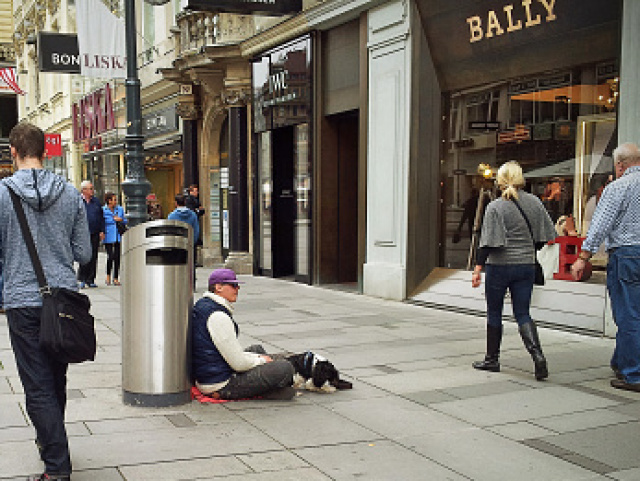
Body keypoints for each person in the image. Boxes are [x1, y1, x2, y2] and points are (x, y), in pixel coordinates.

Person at [0, 122, 91, 480]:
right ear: (46, 151)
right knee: (55, 380)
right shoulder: (70, 194)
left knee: (37, 384)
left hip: (22, 301)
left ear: (13, 152)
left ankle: (56, 467)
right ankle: (52, 443)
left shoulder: (2, 194)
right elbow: (84, 253)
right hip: (64, 300)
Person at [471, 161, 556, 380]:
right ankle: (538, 356)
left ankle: (492, 359)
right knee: (523, 313)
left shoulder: (495, 207)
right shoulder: (535, 203)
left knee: (494, 312)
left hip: (499, 267)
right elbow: (545, 235)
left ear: (500, 180)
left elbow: (487, 242)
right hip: (525, 266)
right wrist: (527, 250)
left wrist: (477, 268)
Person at [571, 143, 640, 393]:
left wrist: (583, 257)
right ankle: (621, 362)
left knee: (628, 315)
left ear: (620, 165)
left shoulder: (617, 187)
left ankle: (633, 374)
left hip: (628, 255)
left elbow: (600, 225)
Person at [192, 268, 295, 400]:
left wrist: (258, 357)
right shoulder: (218, 316)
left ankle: (271, 389)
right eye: (233, 285)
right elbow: (238, 364)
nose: (237, 289)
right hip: (219, 383)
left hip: (210, 372)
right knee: (284, 368)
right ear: (218, 287)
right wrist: (262, 360)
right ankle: (267, 390)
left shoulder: (204, 304)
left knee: (257, 349)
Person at [77, 180, 104, 288]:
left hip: (95, 232)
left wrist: (102, 230)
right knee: (84, 255)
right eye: (90, 188)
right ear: (84, 190)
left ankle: (91, 279)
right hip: (82, 233)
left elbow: (101, 217)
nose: (92, 191)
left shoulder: (96, 202)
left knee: (94, 256)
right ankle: (82, 278)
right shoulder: (78, 201)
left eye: (92, 188)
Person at [168, 194, 200, 286]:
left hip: (177, 243)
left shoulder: (172, 216)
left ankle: (179, 283)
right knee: (191, 264)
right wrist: (193, 241)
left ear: (175, 203)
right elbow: (196, 230)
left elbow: (170, 230)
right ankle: (191, 284)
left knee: (177, 264)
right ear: (185, 202)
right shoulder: (193, 215)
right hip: (189, 242)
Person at [102, 192, 127, 286]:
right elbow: (102, 222)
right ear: (109, 201)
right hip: (108, 234)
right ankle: (108, 275)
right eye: (114, 199)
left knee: (117, 257)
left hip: (117, 235)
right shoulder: (103, 210)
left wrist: (120, 219)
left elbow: (124, 220)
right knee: (110, 256)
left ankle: (116, 277)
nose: (115, 201)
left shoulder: (119, 209)